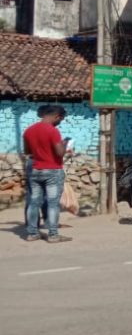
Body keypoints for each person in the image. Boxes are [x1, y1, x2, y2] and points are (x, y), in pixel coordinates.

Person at [23, 104, 71, 243]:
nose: (60, 122)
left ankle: (32, 233)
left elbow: (27, 152)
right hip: (52, 171)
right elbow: (60, 153)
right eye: (60, 119)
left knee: (33, 203)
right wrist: (65, 144)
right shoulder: (52, 131)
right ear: (57, 116)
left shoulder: (28, 130)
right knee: (53, 203)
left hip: (35, 170)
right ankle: (53, 235)